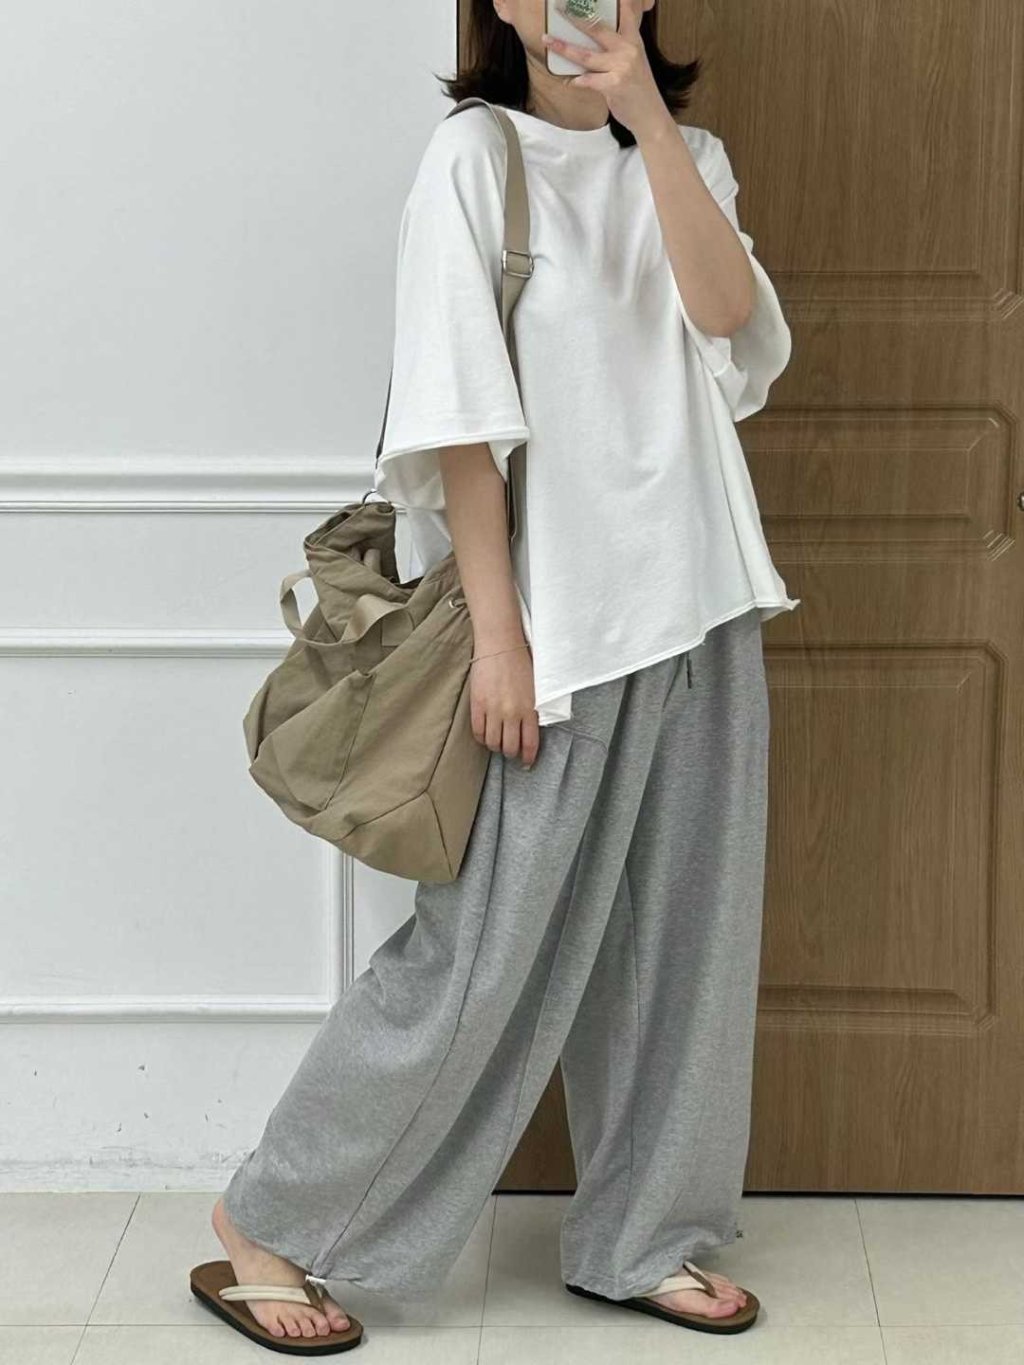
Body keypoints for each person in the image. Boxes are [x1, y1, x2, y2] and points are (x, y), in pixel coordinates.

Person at [198, 0, 800, 1350]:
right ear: (503, 5)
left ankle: (644, 1236)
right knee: (476, 956)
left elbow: (732, 327)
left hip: (705, 601)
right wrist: (501, 637)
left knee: (686, 953)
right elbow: (457, 418)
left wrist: (648, 125)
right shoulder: (474, 159)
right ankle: (272, 1215)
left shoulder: (691, 159)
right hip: (557, 624)